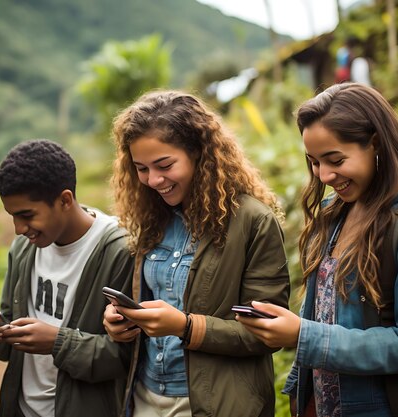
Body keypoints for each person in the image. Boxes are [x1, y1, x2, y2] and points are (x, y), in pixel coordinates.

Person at [236, 83, 398, 416]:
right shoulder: (337, 212)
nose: (324, 174)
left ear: (376, 143)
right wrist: (298, 386)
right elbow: (320, 315)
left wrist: (303, 335)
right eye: (315, 162)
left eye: (335, 159)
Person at [102, 90, 291, 417]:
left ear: (200, 153)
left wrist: (185, 326)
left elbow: (267, 333)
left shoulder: (253, 221)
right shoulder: (150, 217)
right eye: (141, 168)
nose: (153, 180)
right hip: (145, 396)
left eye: (164, 165)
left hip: (216, 403)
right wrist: (122, 321)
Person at [0, 139, 135, 417]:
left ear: (65, 200)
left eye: (27, 215)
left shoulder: (119, 251)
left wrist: (58, 342)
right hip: (22, 408)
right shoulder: (23, 249)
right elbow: (11, 329)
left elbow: (125, 356)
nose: (19, 229)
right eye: (12, 217)